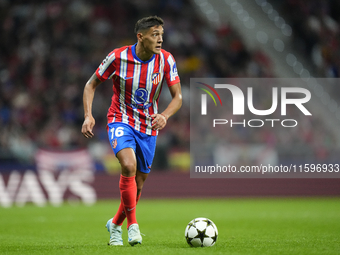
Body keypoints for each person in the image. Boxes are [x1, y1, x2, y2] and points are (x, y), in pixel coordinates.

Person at [81, 16, 182, 246]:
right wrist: (88, 115)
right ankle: (132, 226)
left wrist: (164, 116)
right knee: (128, 165)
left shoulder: (166, 60)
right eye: (155, 34)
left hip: (148, 126)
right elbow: (91, 84)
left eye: (162, 34)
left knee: (138, 183)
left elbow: (178, 97)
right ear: (141, 36)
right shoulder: (118, 57)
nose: (160, 39)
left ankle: (115, 225)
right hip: (120, 119)